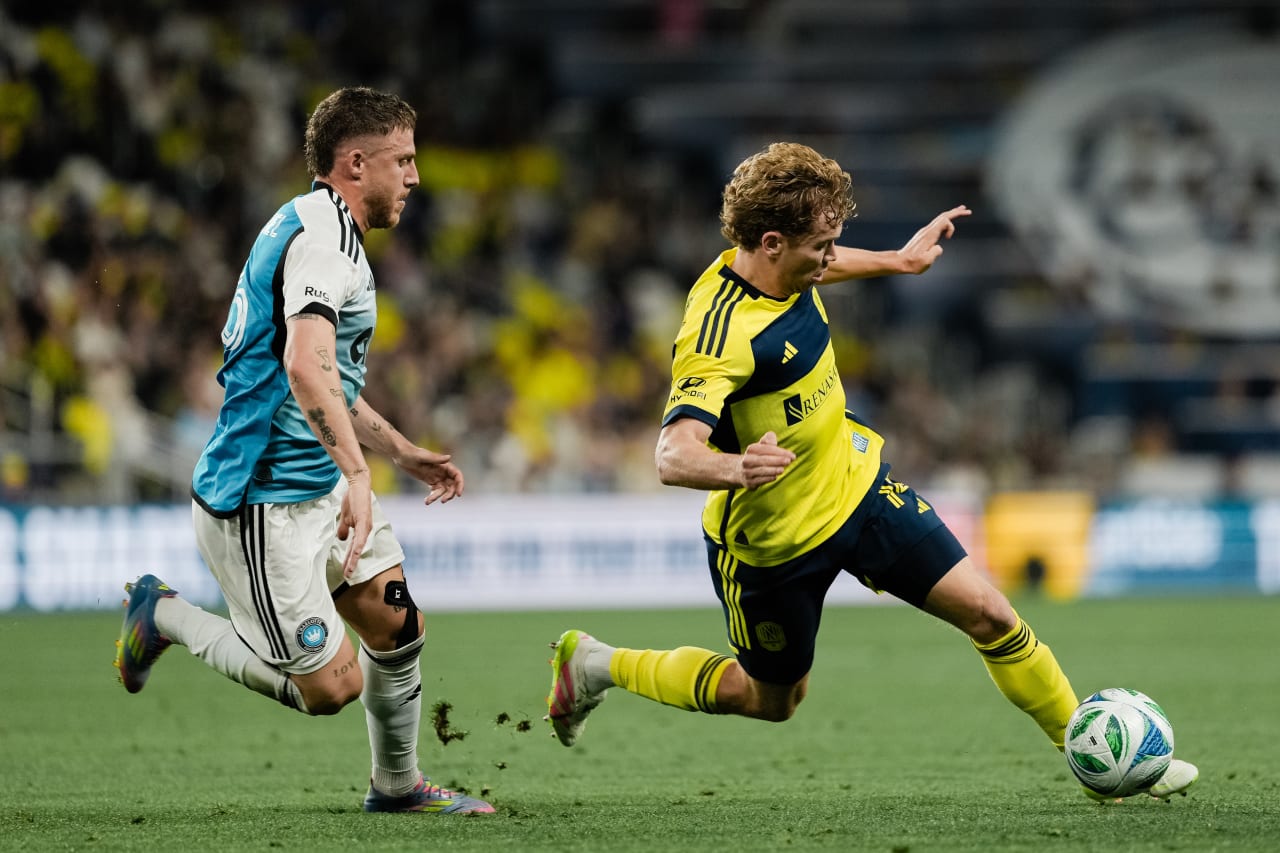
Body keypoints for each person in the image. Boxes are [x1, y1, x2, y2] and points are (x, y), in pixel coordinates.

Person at [544, 141, 1197, 802]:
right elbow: (671, 453)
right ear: (772, 242)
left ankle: (1093, 761)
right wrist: (736, 465)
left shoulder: (783, 269)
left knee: (991, 614)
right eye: (822, 244)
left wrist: (898, 260)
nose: (831, 256)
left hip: (858, 490)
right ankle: (597, 663)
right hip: (776, 546)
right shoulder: (720, 334)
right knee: (771, 700)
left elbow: (819, 268)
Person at [114, 86, 493, 815]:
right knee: (331, 688)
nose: (415, 177)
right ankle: (160, 614)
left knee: (397, 623)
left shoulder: (328, 233)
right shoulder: (322, 239)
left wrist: (400, 450)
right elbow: (302, 363)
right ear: (356, 164)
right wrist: (359, 470)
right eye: (402, 160)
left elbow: (326, 383)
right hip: (262, 501)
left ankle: (397, 787)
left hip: (318, 482)